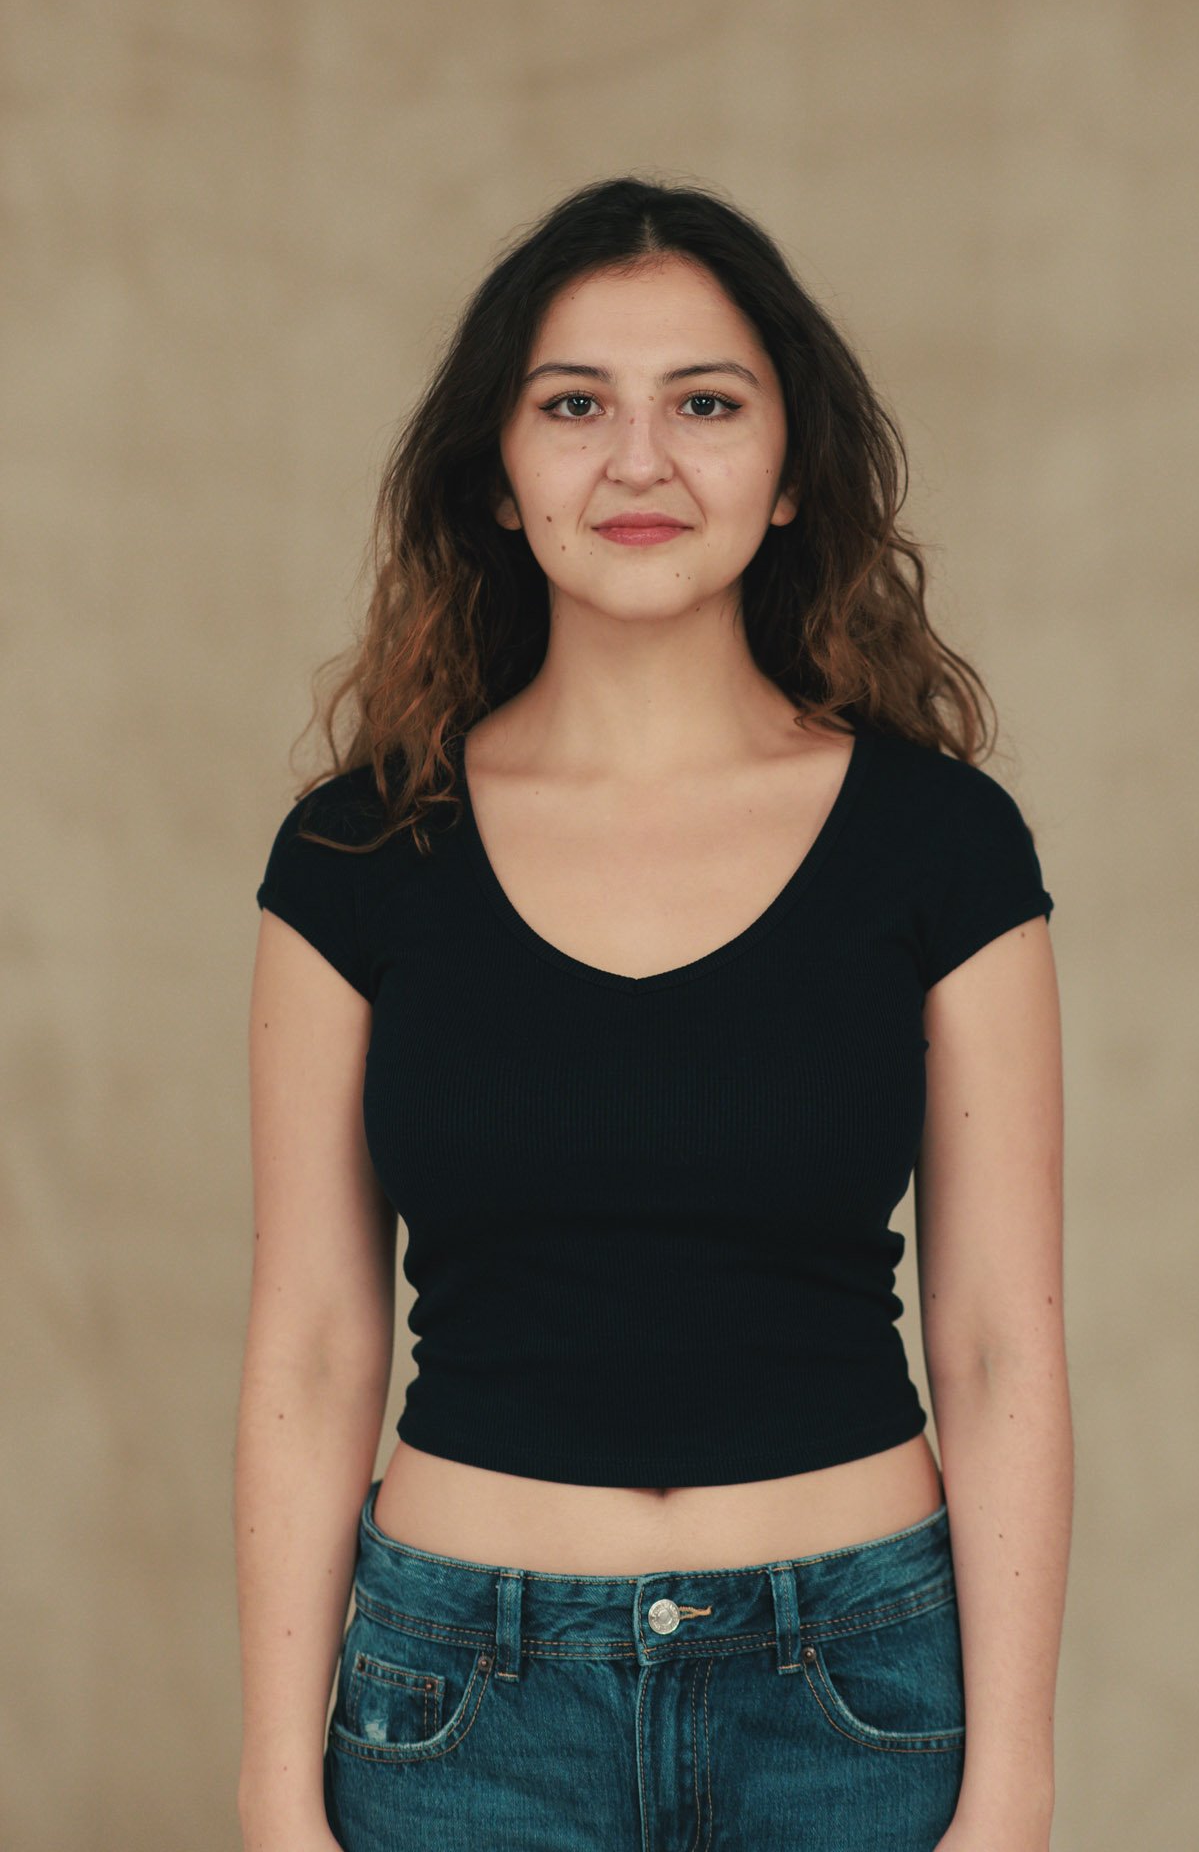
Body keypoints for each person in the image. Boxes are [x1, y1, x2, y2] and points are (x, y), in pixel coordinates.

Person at [235, 176, 1071, 1852]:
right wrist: (272, 1787)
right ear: (498, 474)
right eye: (573, 406)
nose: (638, 460)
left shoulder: (939, 843)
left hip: (856, 1700)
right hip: (458, 1709)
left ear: (784, 478)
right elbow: (315, 1350)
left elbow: (994, 1347)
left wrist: (1011, 1787)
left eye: (703, 403)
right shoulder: (356, 853)